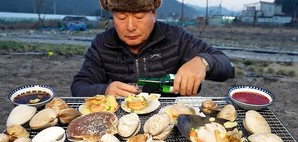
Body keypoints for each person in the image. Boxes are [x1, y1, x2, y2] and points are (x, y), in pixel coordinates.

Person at [71, 0, 234, 97]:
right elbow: (79, 86)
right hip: (120, 121)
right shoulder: (102, 44)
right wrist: (104, 90)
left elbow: (226, 66)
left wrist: (203, 62)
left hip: (170, 119)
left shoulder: (175, 37)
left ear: (154, 14)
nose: (130, 27)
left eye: (139, 16)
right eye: (121, 17)